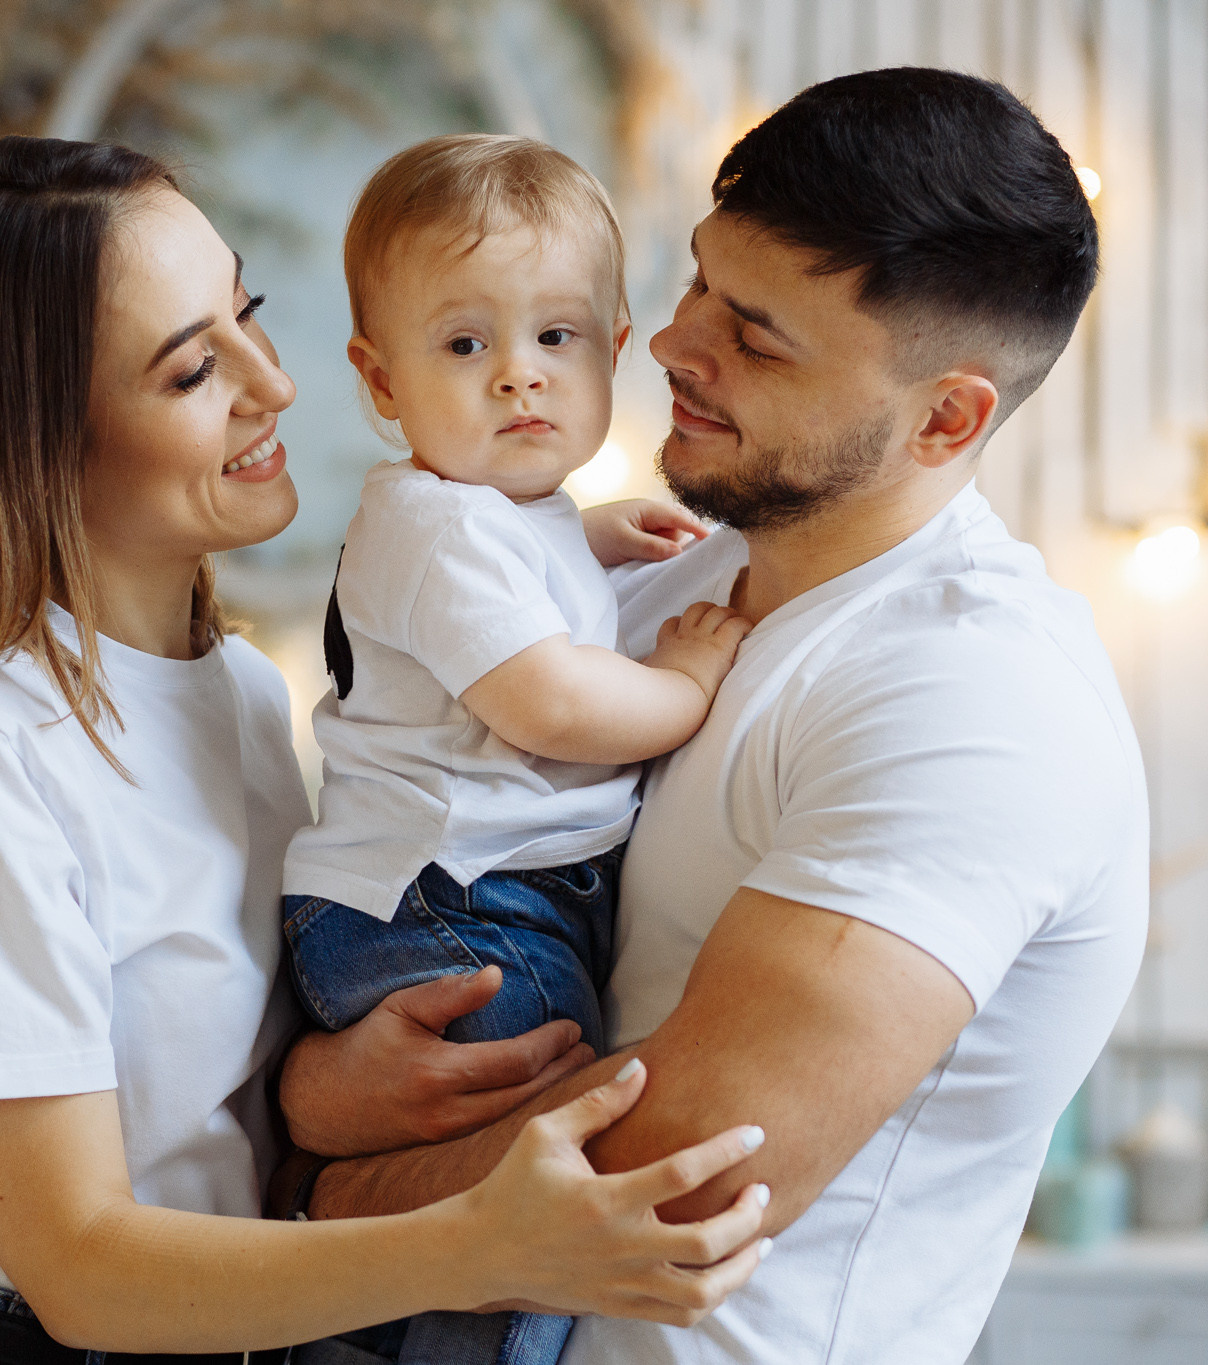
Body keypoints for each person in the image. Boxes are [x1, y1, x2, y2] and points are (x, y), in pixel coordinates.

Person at [0, 135, 773, 1365]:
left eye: (248, 313)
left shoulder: (232, 687)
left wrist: (314, 1092)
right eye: (193, 370)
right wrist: (482, 1244)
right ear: (30, 438)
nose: (274, 385)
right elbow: (80, 1268)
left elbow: (196, 1097)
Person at [277, 67, 1150, 1365]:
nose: (672, 345)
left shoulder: (978, 700)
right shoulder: (650, 583)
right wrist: (318, 1091)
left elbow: (682, 1170)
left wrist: (312, 1197)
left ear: (947, 416)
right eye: (697, 282)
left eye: (757, 336)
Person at [284, 133, 751, 1365]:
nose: (516, 378)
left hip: (460, 898)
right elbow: (547, 704)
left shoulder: (501, 519)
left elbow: (501, 575)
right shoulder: (433, 526)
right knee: (543, 1182)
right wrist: (686, 680)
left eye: (555, 337)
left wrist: (586, 537)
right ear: (380, 381)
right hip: (454, 908)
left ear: (611, 348)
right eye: (462, 346)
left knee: (483, 1180)